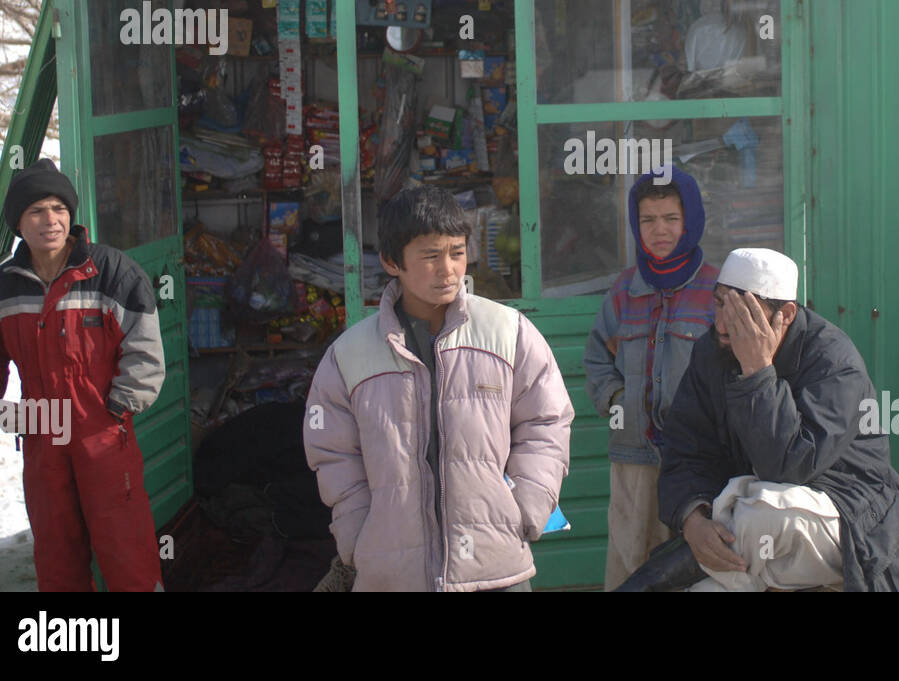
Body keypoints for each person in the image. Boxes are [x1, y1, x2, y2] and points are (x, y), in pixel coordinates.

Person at [304, 185, 573, 591]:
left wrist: (525, 507)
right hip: (393, 576)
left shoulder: (508, 333)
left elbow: (547, 421)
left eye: (457, 252)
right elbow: (332, 452)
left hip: (494, 570)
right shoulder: (350, 356)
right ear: (392, 261)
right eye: (430, 256)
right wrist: (359, 535)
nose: (448, 269)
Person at [658, 247, 899, 591]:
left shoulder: (834, 361)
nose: (721, 324)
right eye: (719, 304)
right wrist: (692, 521)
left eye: (742, 313)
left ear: (785, 314)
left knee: (760, 514)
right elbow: (683, 448)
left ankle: (668, 575)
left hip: (847, 515)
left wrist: (757, 372)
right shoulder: (711, 351)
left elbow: (789, 466)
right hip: (750, 524)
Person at [0, 158, 166, 591]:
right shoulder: (2, 285)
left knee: (126, 550)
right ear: (19, 223)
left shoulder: (113, 273)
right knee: (57, 554)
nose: (51, 221)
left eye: (59, 209)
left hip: (103, 432)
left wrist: (118, 406)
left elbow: (145, 348)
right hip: (42, 433)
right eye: (37, 211)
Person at [583, 166, 718, 590]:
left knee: (693, 565)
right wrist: (618, 400)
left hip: (701, 464)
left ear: (691, 220)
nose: (659, 230)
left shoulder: (717, 291)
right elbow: (596, 357)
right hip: (633, 458)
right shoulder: (624, 292)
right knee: (631, 561)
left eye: (671, 219)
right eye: (647, 220)